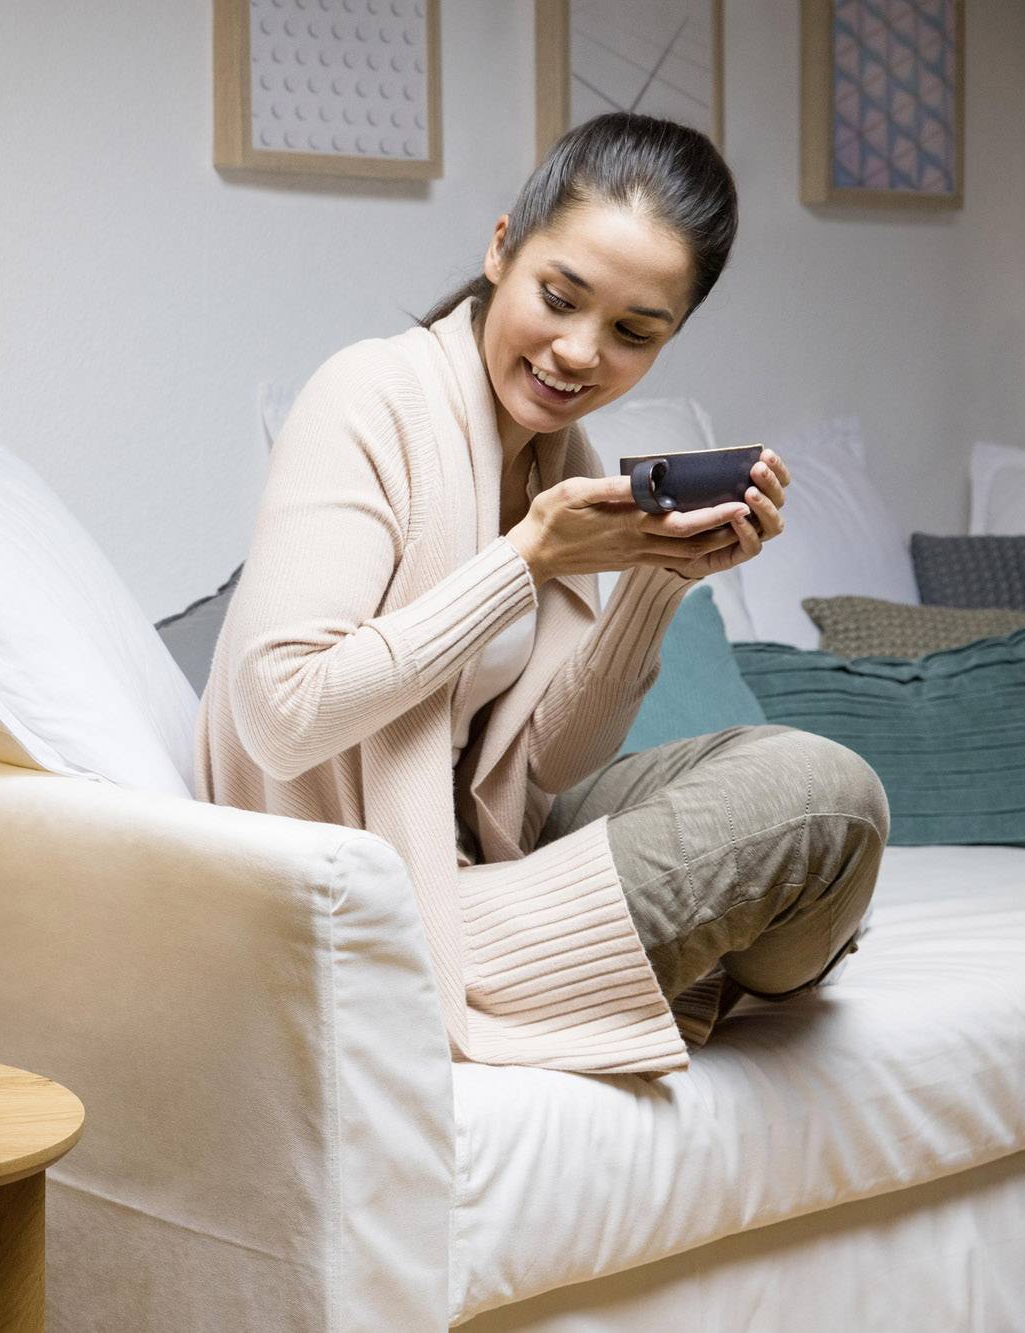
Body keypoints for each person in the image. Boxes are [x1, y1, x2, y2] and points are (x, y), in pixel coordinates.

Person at [195, 112, 887, 1078]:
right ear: (500, 247)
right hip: (375, 885)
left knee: (816, 775)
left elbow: (551, 759)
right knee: (822, 811)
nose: (576, 353)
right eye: (559, 297)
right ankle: (696, 967)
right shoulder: (368, 395)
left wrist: (656, 576)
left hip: (486, 854)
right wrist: (527, 558)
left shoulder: (565, 460)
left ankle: (680, 959)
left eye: (633, 333)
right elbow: (280, 713)